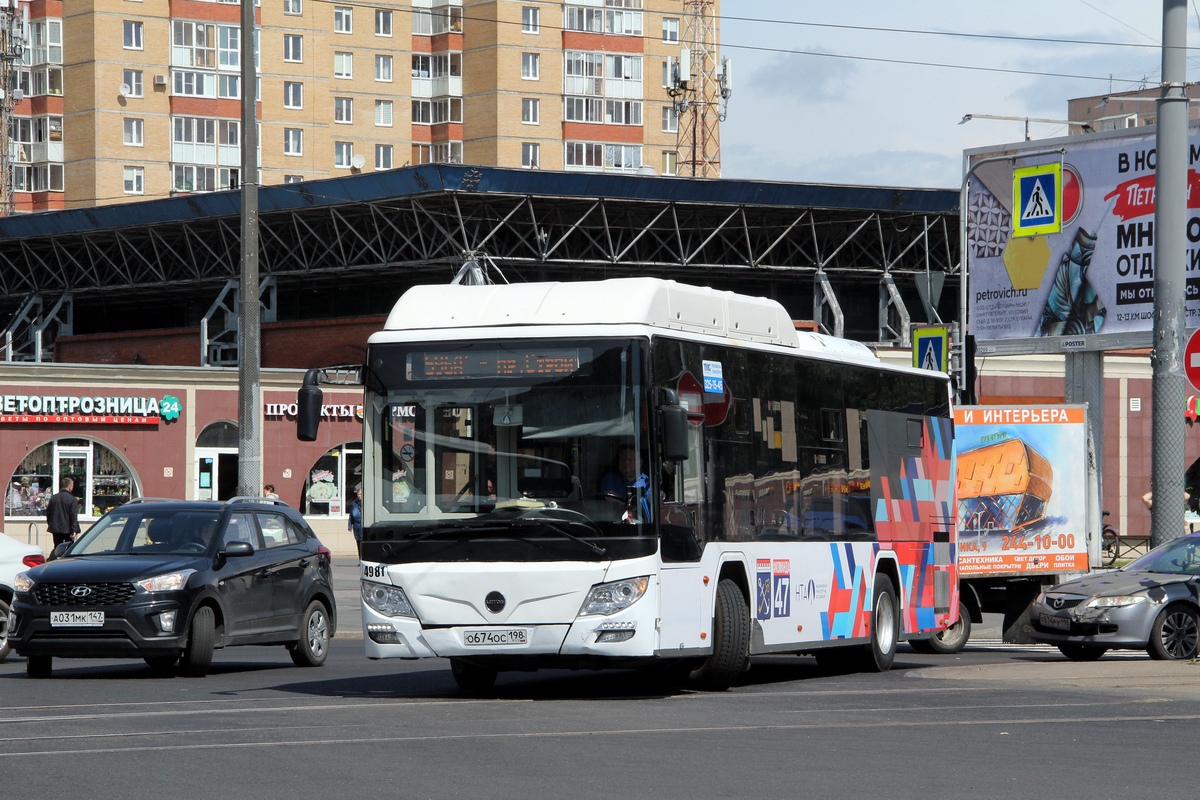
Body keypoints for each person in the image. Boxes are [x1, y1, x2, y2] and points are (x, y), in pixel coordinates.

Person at [600, 444, 652, 521]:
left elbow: (651, 507)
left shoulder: (648, 483)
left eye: (630, 460)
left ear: (640, 462)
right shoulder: (610, 479)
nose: (626, 463)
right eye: (623, 459)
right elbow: (610, 500)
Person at [46, 477, 81, 547]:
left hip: (55, 528)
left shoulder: (53, 498)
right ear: (70, 486)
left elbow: (48, 513)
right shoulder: (72, 499)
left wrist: (51, 524)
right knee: (68, 549)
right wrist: (74, 530)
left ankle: (55, 557)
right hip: (68, 529)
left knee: (57, 547)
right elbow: (73, 516)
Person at [348, 487, 363, 558]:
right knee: (358, 543)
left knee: (363, 544)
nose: (359, 496)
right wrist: (350, 526)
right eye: (358, 494)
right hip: (356, 527)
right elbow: (351, 515)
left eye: (361, 494)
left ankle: (364, 559)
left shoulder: (367, 504)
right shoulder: (355, 504)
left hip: (364, 527)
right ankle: (360, 559)